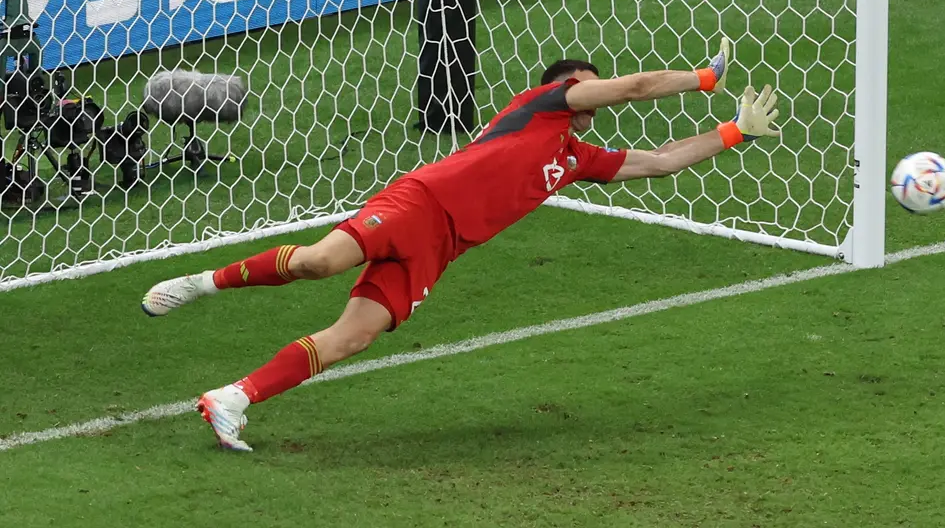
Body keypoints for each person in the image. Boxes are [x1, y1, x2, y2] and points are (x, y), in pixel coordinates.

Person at [141, 38, 781, 451]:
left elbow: (660, 163)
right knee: (317, 261)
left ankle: (232, 399)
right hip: (420, 201)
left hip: (439, 248)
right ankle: (201, 283)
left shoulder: (576, 157)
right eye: (587, 85)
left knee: (352, 337)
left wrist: (732, 134)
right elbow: (634, 89)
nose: (596, 93)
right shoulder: (541, 106)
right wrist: (702, 77)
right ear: (564, 89)